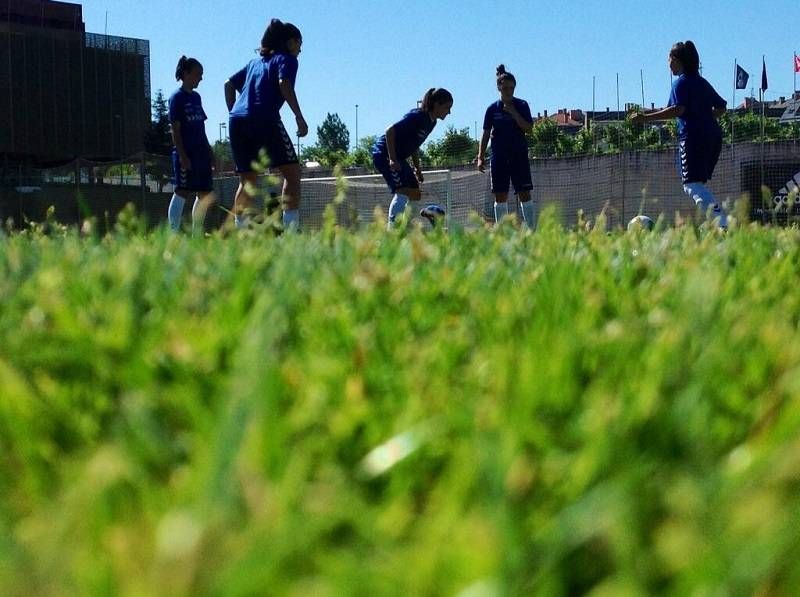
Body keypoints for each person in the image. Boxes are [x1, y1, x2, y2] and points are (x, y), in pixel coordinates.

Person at [630, 41, 728, 228]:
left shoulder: (680, 83)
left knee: (691, 184)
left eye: (669, 59)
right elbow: (721, 108)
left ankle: (721, 223)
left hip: (693, 138)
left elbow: (677, 109)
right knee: (697, 182)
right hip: (713, 136)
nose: (668, 64)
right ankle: (714, 223)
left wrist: (645, 118)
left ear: (676, 60)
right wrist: (704, 116)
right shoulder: (702, 82)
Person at [224, 19, 307, 231]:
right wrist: (298, 116)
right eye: (299, 43)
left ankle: (240, 232)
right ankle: (290, 233)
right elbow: (284, 83)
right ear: (289, 43)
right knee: (292, 174)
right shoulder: (286, 59)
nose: (301, 49)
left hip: (237, 121)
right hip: (265, 119)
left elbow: (228, 84)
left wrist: (234, 110)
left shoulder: (254, 63)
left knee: (247, 181)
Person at [372, 88, 453, 229]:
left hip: (399, 158)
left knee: (415, 193)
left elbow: (415, 144)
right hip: (384, 154)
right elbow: (390, 130)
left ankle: (405, 227)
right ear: (436, 104)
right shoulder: (417, 117)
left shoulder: (431, 122)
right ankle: (393, 232)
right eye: (447, 107)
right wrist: (392, 159)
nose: (449, 112)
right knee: (403, 190)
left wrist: (418, 168)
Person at [477, 65, 536, 227]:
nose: (509, 91)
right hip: (499, 157)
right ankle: (503, 232)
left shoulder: (522, 105)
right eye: (505, 88)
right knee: (500, 195)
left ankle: (531, 230)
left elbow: (529, 129)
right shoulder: (491, 109)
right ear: (499, 88)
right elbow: (486, 133)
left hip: (519, 155)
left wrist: (513, 113)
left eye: (511, 88)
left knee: (524, 193)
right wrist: (480, 157)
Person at [168, 56, 215, 234]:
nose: (200, 79)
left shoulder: (196, 97)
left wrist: (210, 153)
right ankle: (173, 233)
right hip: (186, 153)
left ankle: (197, 233)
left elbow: (201, 128)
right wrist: (182, 155)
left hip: (201, 153)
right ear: (186, 74)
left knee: (204, 193)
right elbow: (175, 129)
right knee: (182, 190)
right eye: (198, 74)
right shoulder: (176, 98)